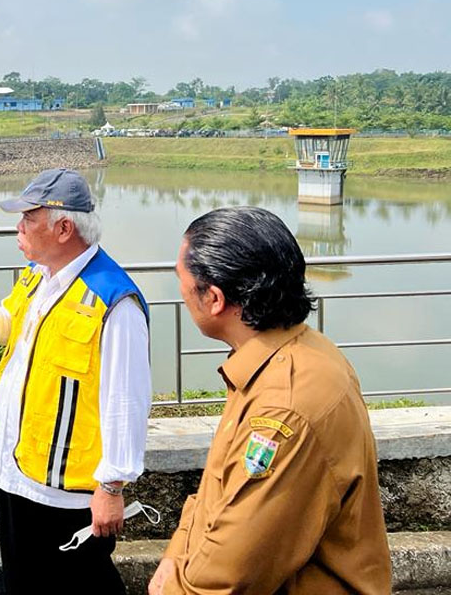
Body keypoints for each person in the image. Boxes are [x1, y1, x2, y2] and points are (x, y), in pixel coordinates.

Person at [149, 206, 391, 595]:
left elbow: (234, 573)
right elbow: (217, 490)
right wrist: (176, 555)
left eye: (181, 277)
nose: (178, 288)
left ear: (213, 298)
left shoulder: (285, 407)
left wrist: (172, 587)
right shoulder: (285, 355)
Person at [0, 168, 151, 594]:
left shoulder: (113, 300)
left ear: (63, 228)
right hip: (18, 467)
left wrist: (112, 486)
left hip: (66, 489)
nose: (18, 227)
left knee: (79, 586)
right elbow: (17, 328)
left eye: (28, 218)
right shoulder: (38, 274)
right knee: (24, 583)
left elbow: (126, 401)